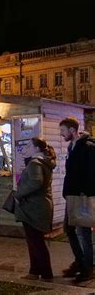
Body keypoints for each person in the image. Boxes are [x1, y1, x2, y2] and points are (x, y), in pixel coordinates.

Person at [14, 138, 56, 281]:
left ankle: (45, 274)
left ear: (36, 148)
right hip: (39, 205)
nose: (26, 147)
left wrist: (19, 194)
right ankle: (35, 271)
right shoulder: (43, 162)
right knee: (34, 241)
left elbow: (36, 182)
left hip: (34, 207)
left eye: (29, 145)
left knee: (36, 242)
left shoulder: (35, 163)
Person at [60, 117, 95, 282]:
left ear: (72, 130)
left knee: (83, 232)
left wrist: (84, 192)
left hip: (81, 197)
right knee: (69, 229)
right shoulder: (71, 147)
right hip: (71, 196)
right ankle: (80, 261)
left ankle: (88, 267)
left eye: (63, 131)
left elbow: (90, 173)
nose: (61, 134)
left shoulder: (87, 147)